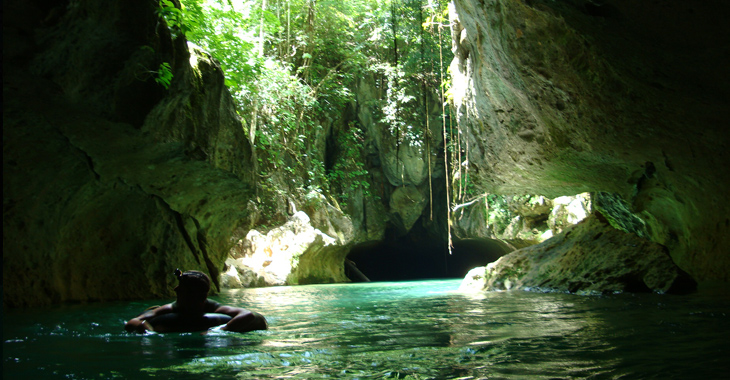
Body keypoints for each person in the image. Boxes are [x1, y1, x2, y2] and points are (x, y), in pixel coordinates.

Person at [124, 269, 267, 334]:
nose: (175, 289)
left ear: (195, 295)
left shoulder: (213, 307)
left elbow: (249, 315)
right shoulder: (171, 308)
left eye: (182, 288)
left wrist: (221, 330)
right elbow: (134, 321)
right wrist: (148, 329)